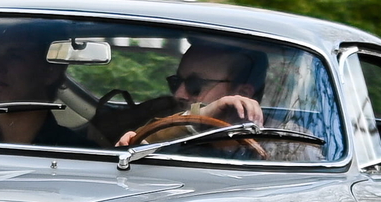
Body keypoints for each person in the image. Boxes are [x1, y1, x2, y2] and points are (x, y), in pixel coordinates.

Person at [113, 41, 266, 145]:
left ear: (243, 93)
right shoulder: (164, 113)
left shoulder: (278, 140)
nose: (179, 94)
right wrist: (203, 115)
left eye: (195, 85)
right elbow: (138, 144)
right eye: (176, 81)